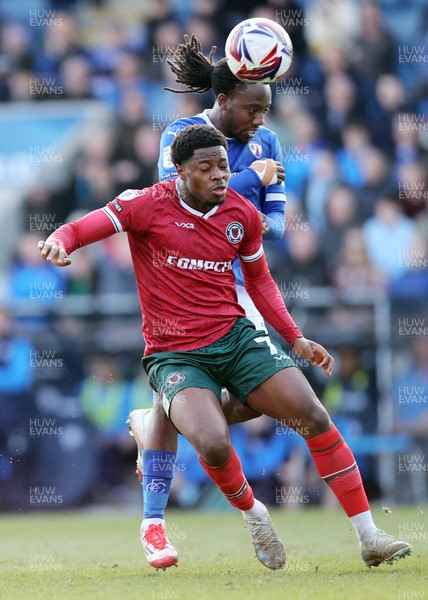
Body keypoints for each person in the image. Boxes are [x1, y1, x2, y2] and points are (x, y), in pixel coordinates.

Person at [38, 125, 412, 573]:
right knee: (213, 443)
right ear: (178, 171)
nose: (220, 176)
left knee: (311, 414)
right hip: (175, 352)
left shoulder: (241, 213)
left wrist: (294, 337)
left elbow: (259, 281)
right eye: (207, 168)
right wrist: (59, 241)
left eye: (223, 166)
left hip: (235, 338)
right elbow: (84, 227)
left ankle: (369, 535)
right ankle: (254, 514)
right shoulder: (146, 204)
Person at [127, 33, 290, 565]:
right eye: (254, 107)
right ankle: (153, 525)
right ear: (228, 99)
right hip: (176, 281)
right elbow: (171, 197)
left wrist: (248, 208)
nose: (260, 118)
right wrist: (249, 181)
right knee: (169, 397)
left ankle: (168, 418)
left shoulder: (270, 143)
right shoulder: (182, 132)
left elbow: (275, 225)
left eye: (265, 108)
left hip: (238, 288)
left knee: (257, 400)